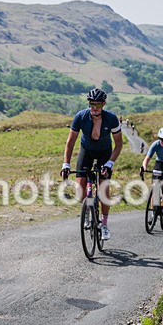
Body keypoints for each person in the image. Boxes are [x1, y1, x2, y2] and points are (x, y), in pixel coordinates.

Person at [60, 88, 123, 241]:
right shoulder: (80, 117)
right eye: (92, 104)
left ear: (103, 104)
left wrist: (110, 163)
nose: (94, 108)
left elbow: (119, 144)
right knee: (80, 187)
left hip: (104, 153)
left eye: (98, 105)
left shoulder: (111, 119)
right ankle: (87, 211)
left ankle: (105, 225)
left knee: (103, 188)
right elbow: (70, 143)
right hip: (86, 151)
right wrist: (66, 164)